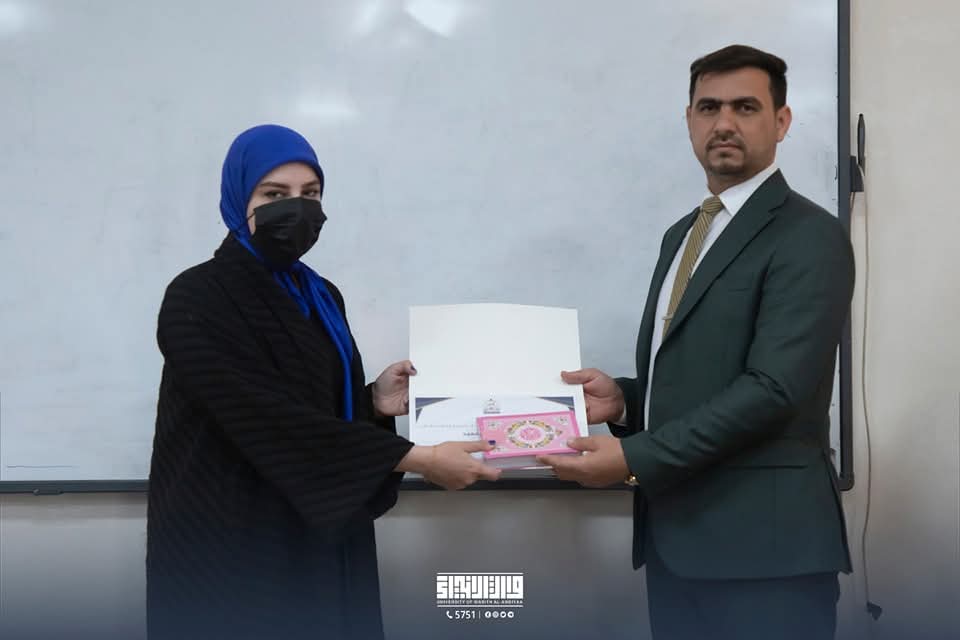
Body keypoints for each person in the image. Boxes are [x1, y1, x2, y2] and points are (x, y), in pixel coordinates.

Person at [538, 45, 854, 640]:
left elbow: (774, 389)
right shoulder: (684, 233)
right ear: (689, 120)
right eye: (709, 107)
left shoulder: (809, 235)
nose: (724, 123)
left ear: (781, 121)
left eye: (745, 107)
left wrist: (633, 459)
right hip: (676, 545)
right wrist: (627, 401)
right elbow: (702, 373)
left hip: (767, 558)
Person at [146, 124, 500, 640]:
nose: (297, 209)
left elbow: (308, 401)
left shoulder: (319, 294)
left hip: (317, 532)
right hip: (230, 533)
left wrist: (373, 402)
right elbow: (260, 415)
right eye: (274, 195)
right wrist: (415, 458)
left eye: (310, 194)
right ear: (238, 198)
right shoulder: (197, 295)